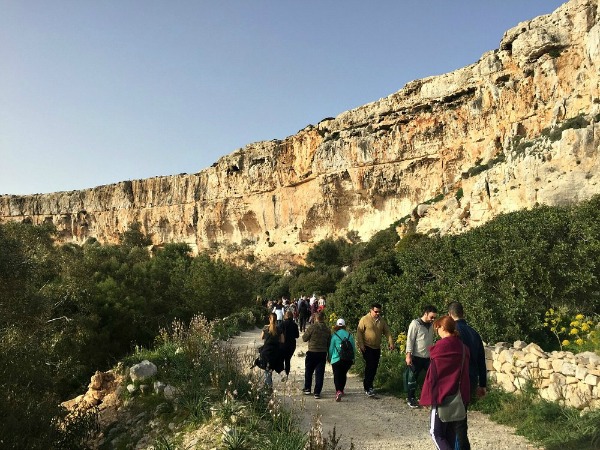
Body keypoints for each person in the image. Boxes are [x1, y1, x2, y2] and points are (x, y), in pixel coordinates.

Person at [419, 316, 470, 450]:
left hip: (442, 397)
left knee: (436, 434)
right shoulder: (463, 348)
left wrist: (427, 397)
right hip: (458, 397)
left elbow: (433, 377)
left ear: (442, 328)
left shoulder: (439, 348)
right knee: (450, 435)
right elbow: (465, 375)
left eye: (437, 328)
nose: (437, 332)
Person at [448, 301, 487, 450]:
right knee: (461, 418)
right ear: (462, 313)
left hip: (457, 380)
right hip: (471, 380)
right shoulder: (474, 333)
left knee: (455, 422)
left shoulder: (453, 332)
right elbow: (481, 361)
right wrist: (482, 384)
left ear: (450, 315)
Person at [356, 302, 395, 397]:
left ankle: (370, 385)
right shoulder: (364, 319)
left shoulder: (381, 321)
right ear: (371, 310)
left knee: (374, 367)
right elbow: (359, 332)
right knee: (370, 365)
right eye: (376, 311)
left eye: (379, 312)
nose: (378, 313)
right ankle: (368, 386)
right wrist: (361, 344)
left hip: (376, 347)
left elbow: (387, 332)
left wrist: (391, 342)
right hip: (367, 346)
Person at [405, 305, 438, 408]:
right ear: (425, 313)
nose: (433, 319)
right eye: (431, 317)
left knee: (433, 376)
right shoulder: (415, 324)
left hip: (428, 357)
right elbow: (410, 340)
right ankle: (411, 398)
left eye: (434, 317)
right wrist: (408, 356)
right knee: (412, 378)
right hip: (416, 356)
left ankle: (429, 397)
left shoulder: (432, 325)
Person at [302, 311, 331, 399]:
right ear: (324, 318)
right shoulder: (327, 329)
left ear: (315, 318)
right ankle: (317, 392)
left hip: (312, 351)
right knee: (320, 373)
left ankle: (307, 388)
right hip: (322, 353)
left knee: (309, 371)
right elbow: (329, 343)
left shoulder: (312, 327)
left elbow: (304, 338)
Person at [328, 318, 356, 402]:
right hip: (347, 359)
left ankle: (338, 391)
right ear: (344, 326)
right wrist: (353, 358)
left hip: (336, 359)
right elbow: (353, 348)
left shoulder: (334, 335)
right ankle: (342, 389)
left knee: (337, 375)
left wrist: (329, 357)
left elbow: (331, 348)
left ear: (336, 326)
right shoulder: (349, 335)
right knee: (343, 374)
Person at [259, 313, 285, 387]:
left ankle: (269, 388)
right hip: (276, 351)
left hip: (266, 351)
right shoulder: (279, 329)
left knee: (268, 370)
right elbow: (282, 341)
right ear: (276, 319)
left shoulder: (265, 328)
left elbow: (261, 337)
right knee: (275, 365)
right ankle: (281, 373)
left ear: (269, 319)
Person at [280, 310, 300, 379]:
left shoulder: (282, 324)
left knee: (281, 360)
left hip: (283, 344)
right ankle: (287, 374)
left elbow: (278, 333)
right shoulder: (294, 325)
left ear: (286, 316)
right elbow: (297, 336)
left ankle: (283, 374)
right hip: (291, 344)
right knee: (287, 360)